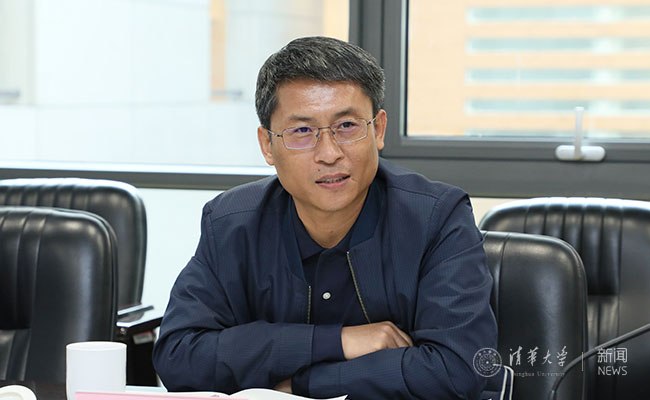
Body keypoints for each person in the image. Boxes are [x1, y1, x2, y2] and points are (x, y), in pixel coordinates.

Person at [152, 36, 497, 399]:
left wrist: (303, 385)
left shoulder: (437, 218)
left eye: (347, 126)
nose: (329, 153)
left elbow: (460, 368)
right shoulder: (231, 223)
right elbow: (179, 356)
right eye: (302, 131)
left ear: (378, 130)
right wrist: (337, 341)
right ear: (268, 145)